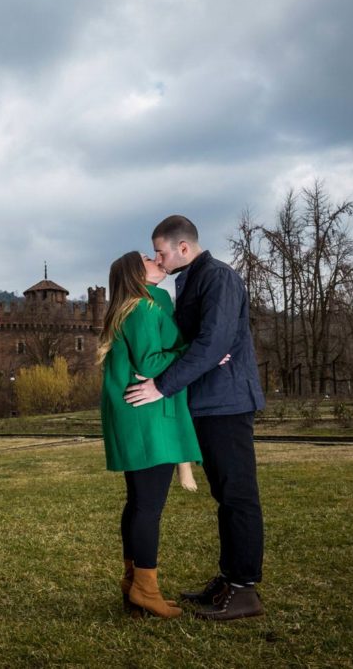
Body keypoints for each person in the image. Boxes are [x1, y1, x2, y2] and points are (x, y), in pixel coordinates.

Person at [124, 215, 267, 621]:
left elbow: (213, 343)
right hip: (205, 402)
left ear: (183, 248)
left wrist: (161, 385)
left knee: (237, 494)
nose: (158, 259)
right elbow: (192, 342)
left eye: (161, 252)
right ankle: (228, 580)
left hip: (227, 403)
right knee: (224, 495)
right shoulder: (190, 280)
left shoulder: (217, 277)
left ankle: (244, 591)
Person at [99, 251, 202, 619]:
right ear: (135, 273)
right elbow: (150, 362)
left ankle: (134, 584)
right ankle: (145, 588)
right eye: (146, 257)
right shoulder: (141, 308)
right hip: (146, 417)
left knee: (138, 502)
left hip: (137, 415)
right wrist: (196, 352)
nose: (155, 257)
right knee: (148, 505)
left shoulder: (140, 305)